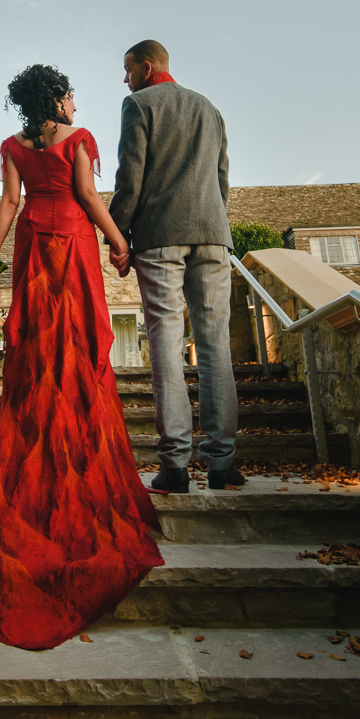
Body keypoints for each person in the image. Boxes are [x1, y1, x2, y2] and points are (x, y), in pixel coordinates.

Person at [0, 63, 163, 651]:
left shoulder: (11, 146)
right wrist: (118, 240)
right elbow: (85, 194)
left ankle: (40, 441)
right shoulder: (78, 141)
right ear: (56, 98)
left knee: (38, 353)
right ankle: (75, 445)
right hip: (73, 247)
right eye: (72, 94)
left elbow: (8, 204)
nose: (77, 103)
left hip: (32, 248)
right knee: (77, 350)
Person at [109, 38, 243, 494]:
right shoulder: (209, 108)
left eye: (127, 70)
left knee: (166, 343)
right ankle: (223, 464)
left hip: (159, 236)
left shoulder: (138, 105)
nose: (124, 79)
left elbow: (131, 176)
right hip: (212, 235)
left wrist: (119, 234)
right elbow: (222, 178)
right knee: (214, 344)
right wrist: (212, 223)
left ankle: (176, 465)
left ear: (147, 68)